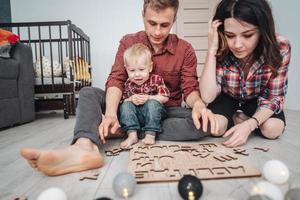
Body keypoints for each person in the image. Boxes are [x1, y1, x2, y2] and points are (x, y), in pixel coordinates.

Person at [20, 0, 218, 176]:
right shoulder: (129, 41)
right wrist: (112, 114)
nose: (158, 32)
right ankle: (84, 147)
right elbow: (116, 79)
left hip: (162, 110)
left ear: (174, 19)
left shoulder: (185, 49)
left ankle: (131, 130)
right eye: (152, 23)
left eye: (165, 25)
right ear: (143, 15)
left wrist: (199, 105)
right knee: (88, 93)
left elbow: (190, 88)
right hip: (126, 106)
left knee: (203, 123)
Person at [199, 0, 291, 148]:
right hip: (228, 97)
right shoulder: (221, 45)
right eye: (230, 35)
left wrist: (249, 125)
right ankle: (238, 118)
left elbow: (274, 97)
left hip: (258, 98)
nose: (237, 45)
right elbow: (207, 96)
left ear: (262, 29)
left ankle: (243, 119)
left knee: (272, 130)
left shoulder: (280, 47)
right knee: (214, 128)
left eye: (247, 35)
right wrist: (212, 50)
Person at [119, 43, 170, 148]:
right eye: (132, 70)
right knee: (125, 106)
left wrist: (150, 98)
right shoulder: (128, 83)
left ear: (150, 67)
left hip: (154, 114)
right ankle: (132, 134)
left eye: (141, 70)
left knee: (152, 103)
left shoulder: (156, 79)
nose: (137, 74)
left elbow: (165, 97)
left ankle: (150, 133)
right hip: (137, 115)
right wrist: (130, 99)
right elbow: (124, 100)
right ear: (126, 69)